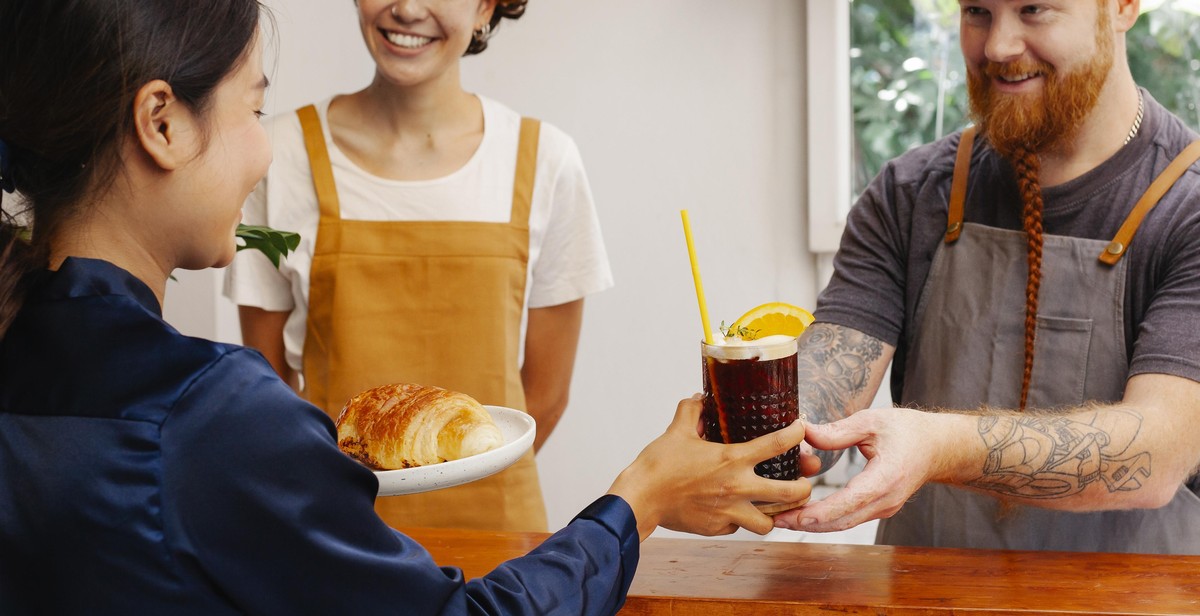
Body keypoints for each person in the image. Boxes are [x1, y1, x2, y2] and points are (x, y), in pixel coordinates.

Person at [0, 1, 817, 613]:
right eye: (253, 108)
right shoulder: (210, 418)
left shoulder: (33, 359)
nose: (262, 143)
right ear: (161, 123)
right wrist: (643, 498)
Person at [772, 0, 1200, 554]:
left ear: (1122, 7)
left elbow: (1155, 454)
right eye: (977, 10)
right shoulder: (912, 192)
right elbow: (821, 397)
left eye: (1034, 9)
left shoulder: (1187, 209)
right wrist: (761, 434)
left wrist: (937, 446)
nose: (997, 46)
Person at [224, 0, 608, 534]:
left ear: (486, 8)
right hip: (334, 532)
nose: (406, 8)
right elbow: (265, 390)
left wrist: (449, 483)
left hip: (496, 539)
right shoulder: (277, 156)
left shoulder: (546, 161)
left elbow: (546, 393)